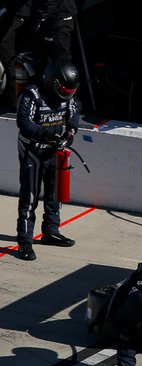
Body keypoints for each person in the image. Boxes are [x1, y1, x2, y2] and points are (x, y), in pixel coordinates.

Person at [15, 56, 79, 261]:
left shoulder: (67, 98)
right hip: (33, 153)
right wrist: (46, 134)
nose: (66, 96)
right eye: (64, 91)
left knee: (54, 195)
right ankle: (24, 241)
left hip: (55, 153)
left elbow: (74, 115)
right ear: (53, 82)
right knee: (30, 197)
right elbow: (23, 122)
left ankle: (51, 231)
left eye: (70, 93)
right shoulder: (31, 95)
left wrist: (71, 132)